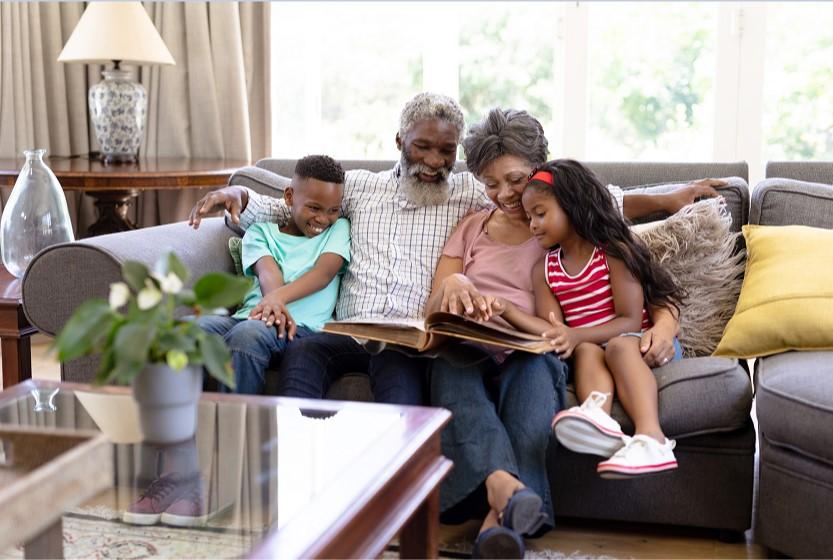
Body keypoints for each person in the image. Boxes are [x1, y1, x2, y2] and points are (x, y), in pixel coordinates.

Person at [187, 93, 722, 406]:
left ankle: (405, 489)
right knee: (306, 352)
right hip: (354, 328)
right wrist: (240, 195)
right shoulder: (363, 189)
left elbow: (588, 200)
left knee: (411, 371)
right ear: (400, 143)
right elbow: (302, 204)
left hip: (416, 336)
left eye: (445, 151)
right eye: (421, 147)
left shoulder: (475, 192)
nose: (433, 160)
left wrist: (672, 197)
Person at [425, 108, 722, 558]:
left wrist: (665, 323)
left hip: (536, 349)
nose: (504, 194)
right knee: (451, 381)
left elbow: (643, 279)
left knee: (529, 404)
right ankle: (506, 501)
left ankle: (497, 515)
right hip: (470, 346)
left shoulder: (567, 221)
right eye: (490, 183)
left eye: (516, 179)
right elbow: (434, 309)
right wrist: (453, 283)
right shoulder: (471, 227)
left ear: (541, 172)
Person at [520, 159, 684, 479]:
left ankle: (653, 438)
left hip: (640, 345)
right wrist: (506, 312)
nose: (533, 225)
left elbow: (631, 321)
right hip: (596, 347)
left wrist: (577, 334)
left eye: (540, 213)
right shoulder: (545, 269)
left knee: (617, 347)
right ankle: (599, 419)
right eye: (529, 217)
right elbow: (556, 329)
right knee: (586, 350)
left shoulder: (613, 251)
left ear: (572, 205)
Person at [197, 155, 350, 394]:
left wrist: (277, 300)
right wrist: (274, 301)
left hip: (301, 328)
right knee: (186, 331)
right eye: (313, 207)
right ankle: (180, 425)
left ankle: (239, 428)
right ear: (289, 197)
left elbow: (324, 274)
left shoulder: (338, 229)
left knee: (247, 336)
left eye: (333, 210)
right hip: (249, 318)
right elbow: (268, 273)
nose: (323, 218)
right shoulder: (260, 233)